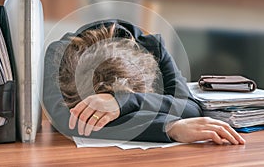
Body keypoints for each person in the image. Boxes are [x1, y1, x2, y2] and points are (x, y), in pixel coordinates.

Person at [43, 19, 245, 145]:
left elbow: (190, 108)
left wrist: (125, 102)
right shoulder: (59, 53)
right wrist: (169, 127)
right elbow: (66, 121)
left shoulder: (153, 47)